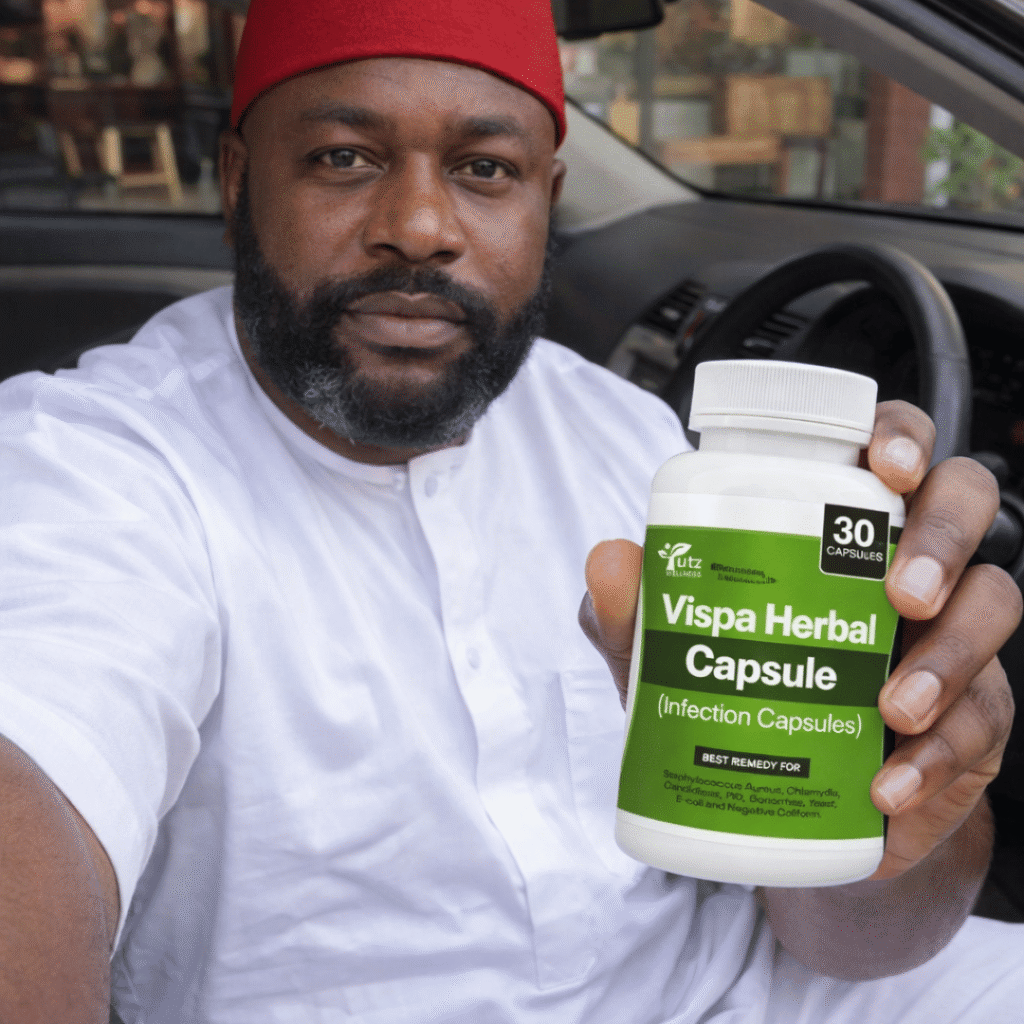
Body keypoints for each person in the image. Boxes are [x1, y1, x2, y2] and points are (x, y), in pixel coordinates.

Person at [0, 1, 1021, 1021]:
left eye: (485, 169)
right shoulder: (92, 465)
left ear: (549, 198)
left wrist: (898, 799)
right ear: (237, 183)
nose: (420, 228)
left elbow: (857, 942)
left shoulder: (625, 432)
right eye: (344, 158)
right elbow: (35, 751)